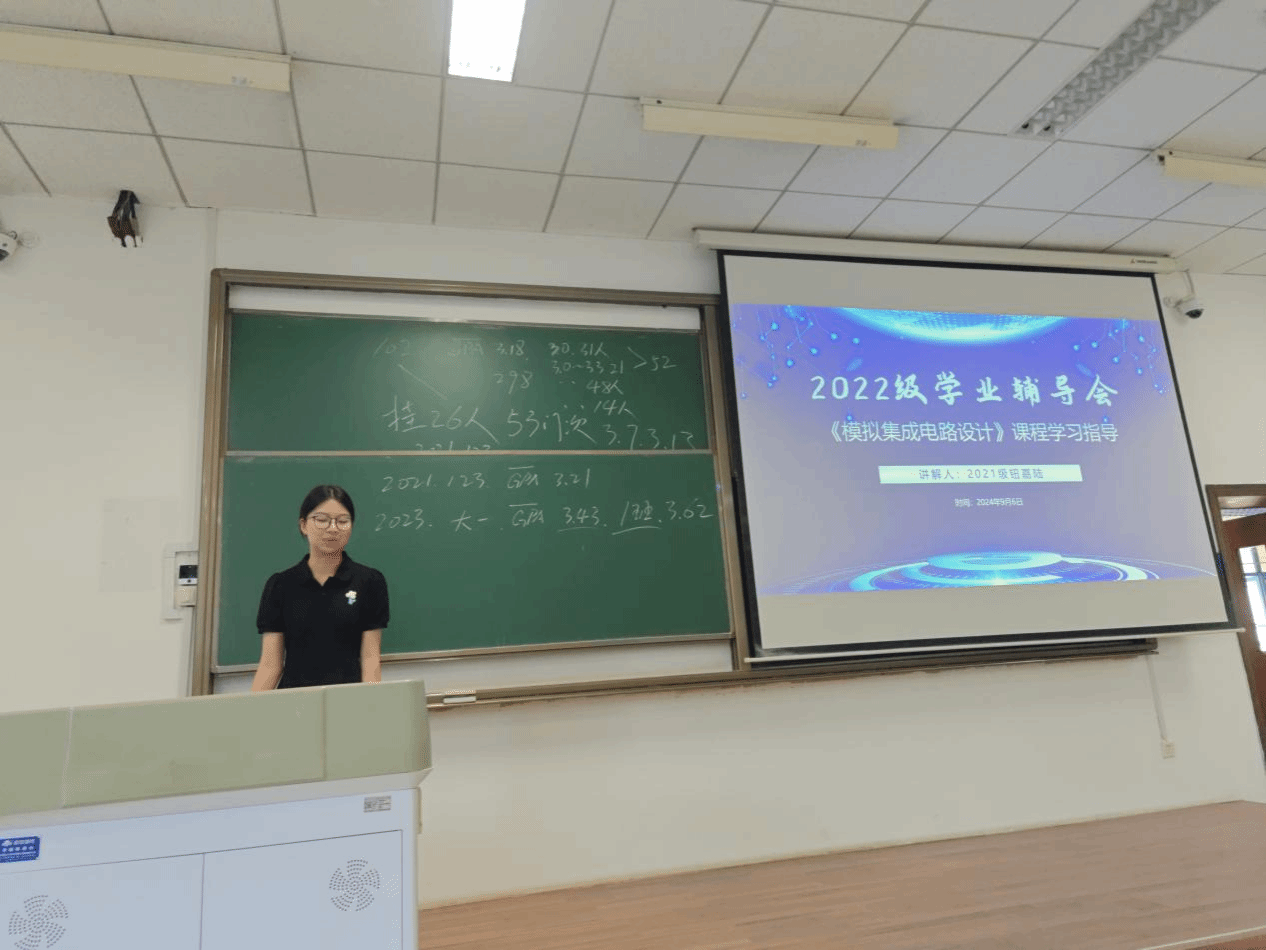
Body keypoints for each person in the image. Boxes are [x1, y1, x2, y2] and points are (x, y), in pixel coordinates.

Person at [251, 484, 389, 690]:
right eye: (322, 520)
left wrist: (370, 704)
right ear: (303, 525)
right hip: (294, 700)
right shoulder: (280, 585)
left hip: (347, 698)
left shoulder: (369, 581)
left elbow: (371, 660)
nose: (332, 528)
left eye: (342, 521)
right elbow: (270, 665)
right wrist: (251, 707)